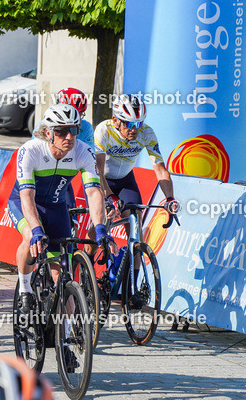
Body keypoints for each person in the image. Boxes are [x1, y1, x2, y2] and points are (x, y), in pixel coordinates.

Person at [10, 104, 111, 348]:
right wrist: (36, 231)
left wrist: (100, 229)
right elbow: (27, 198)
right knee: (29, 239)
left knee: (62, 276)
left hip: (56, 209)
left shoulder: (83, 151)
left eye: (74, 130)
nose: (69, 137)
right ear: (48, 132)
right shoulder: (30, 151)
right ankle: (25, 289)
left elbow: (94, 192)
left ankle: (64, 337)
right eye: (62, 131)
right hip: (24, 203)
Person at [94, 94, 179, 277]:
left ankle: (132, 282)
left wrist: (170, 198)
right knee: (96, 226)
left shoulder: (147, 133)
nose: (134, 130)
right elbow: (98, 172)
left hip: (126, 180)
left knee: (136, 230)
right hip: (103, 181)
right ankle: (84, 269)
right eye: (129, 124)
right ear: (116, 120)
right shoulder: (104, 131)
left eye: (138, 124)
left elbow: (161, 170)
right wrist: (109, 197)